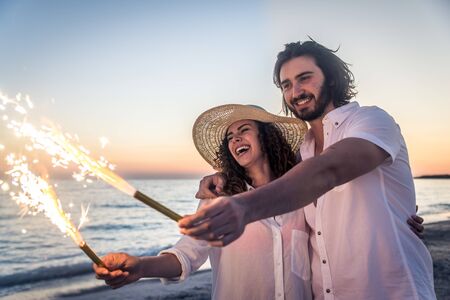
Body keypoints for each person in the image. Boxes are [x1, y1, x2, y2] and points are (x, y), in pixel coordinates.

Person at [179, 40, 436, 299]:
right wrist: (226, 177)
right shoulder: (302, 154)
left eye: (304, 78)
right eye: (286, 85)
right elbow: (276, 178)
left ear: (332, 79)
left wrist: (245, 207)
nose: (295, 91)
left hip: (390, 290)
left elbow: (327, 171)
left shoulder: (370, 121)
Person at [93, 104, 313, 299]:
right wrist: (141, 267)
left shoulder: (300, 192)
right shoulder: (218, 198)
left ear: (266, 137)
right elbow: (187, 254)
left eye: (244, 130)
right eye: (229, 137)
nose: (235, 139)